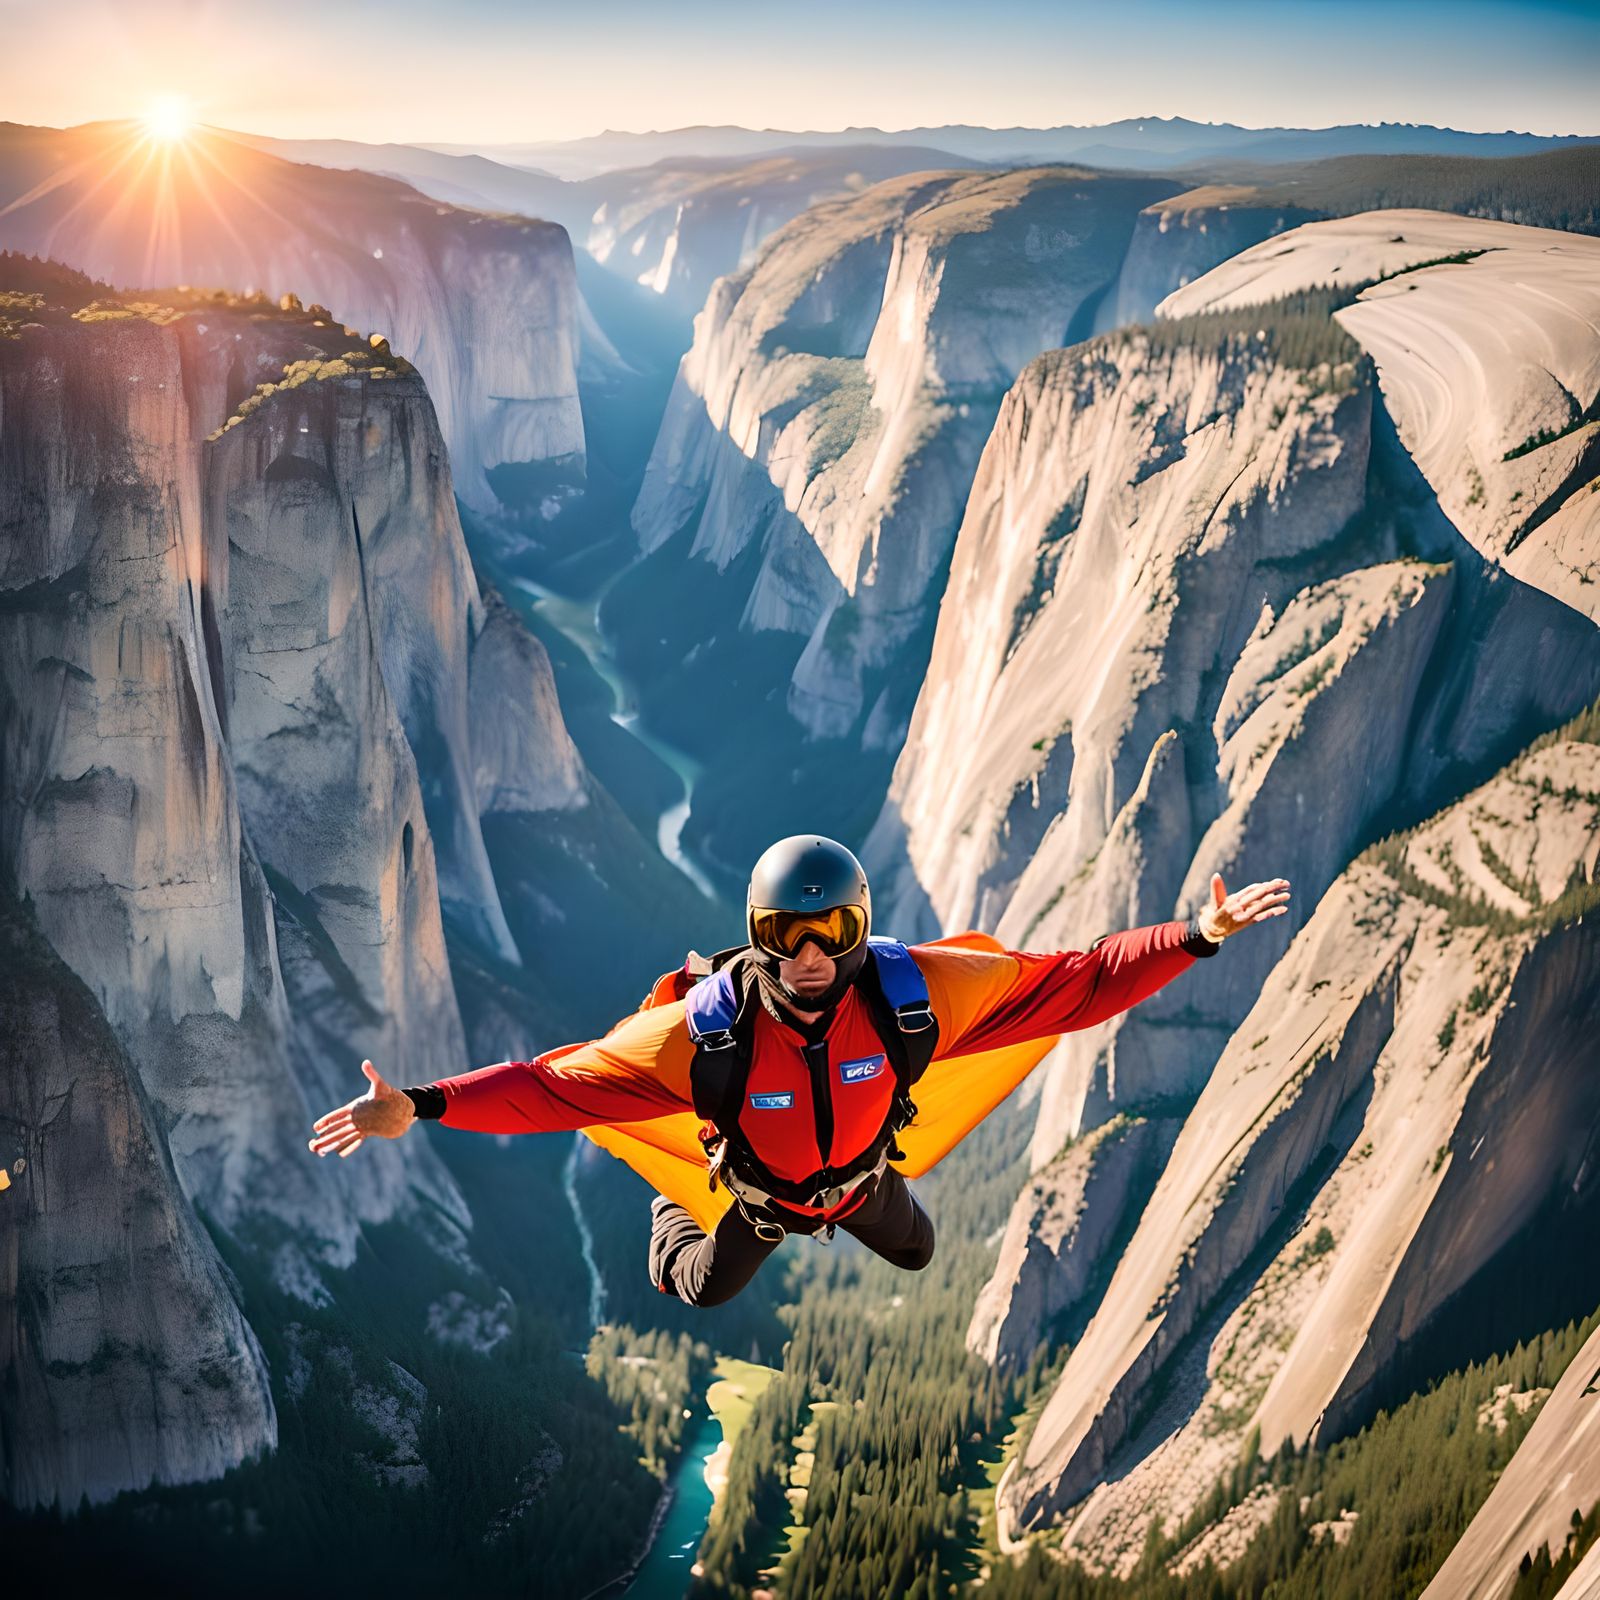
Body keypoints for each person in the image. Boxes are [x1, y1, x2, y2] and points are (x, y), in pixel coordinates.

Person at [309, 836, 1289, 1308]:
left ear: (861, 928)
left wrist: (1193, 936)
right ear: (757, 936)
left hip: (858, 1185)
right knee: (698, 1287)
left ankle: (819, 1191)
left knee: (915, 1250)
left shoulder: (919, 997)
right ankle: (679, 1199)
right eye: (787, 933)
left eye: (834, 931)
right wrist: (423, 1104)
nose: (812, 954)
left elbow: (1073, 984)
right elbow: (552, 1086)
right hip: (762, 1202)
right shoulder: (702, 1040)